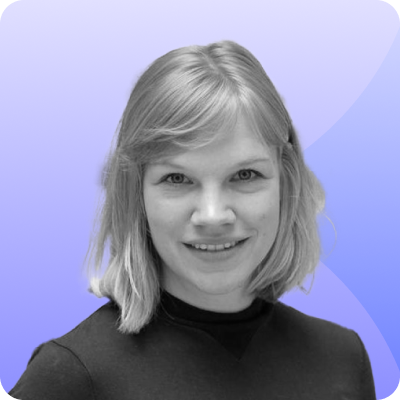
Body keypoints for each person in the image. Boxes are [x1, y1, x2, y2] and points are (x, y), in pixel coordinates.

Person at [9, 40, 376, 399]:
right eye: (177, 179)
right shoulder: (71, 377)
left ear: (286, 182)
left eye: (244, 175)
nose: (213, 216)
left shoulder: (342, 359)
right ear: (136, 195)